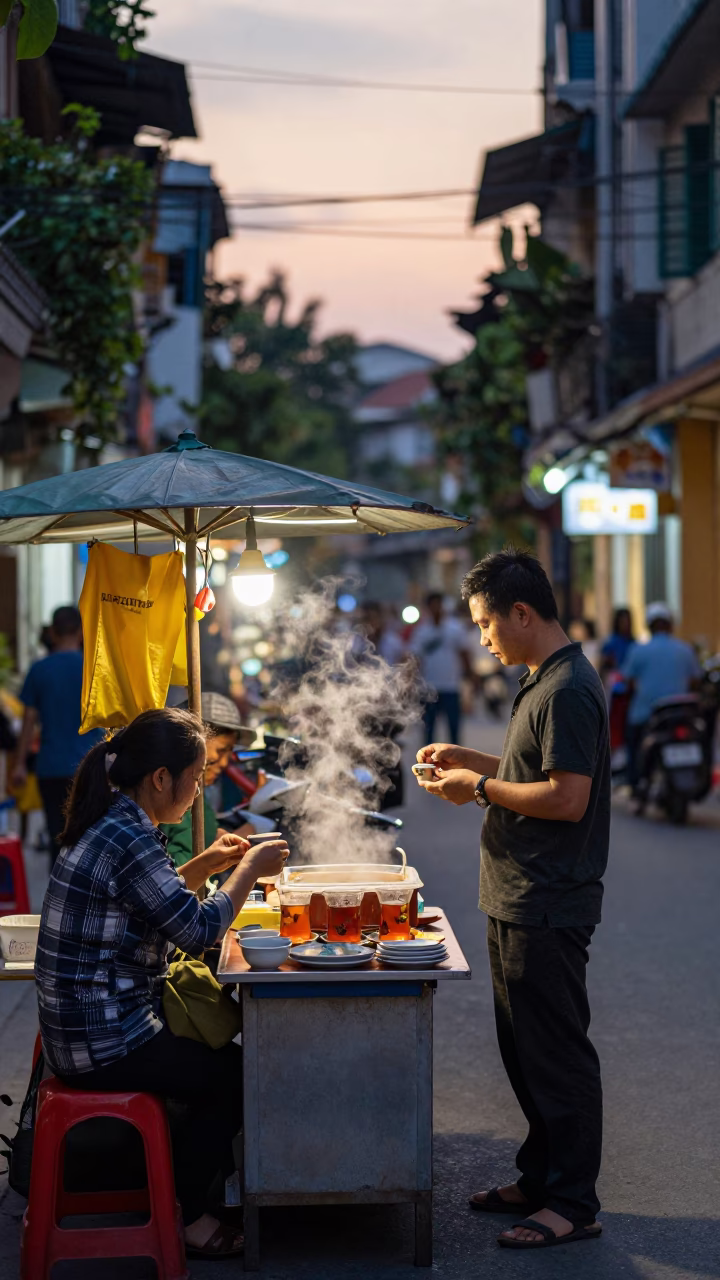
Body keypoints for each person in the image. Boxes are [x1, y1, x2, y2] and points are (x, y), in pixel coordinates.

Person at [35, 707, 289, 1260]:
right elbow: (197, 929)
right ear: (160, 778)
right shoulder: (129, 835)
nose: (198, 791)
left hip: (78, 1029)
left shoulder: (118, 823)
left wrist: (207, 864)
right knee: (232, 1076)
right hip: (101, 1039)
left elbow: (152, 898)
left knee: (213, 1061)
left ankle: (187, 1192)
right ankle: (190, 1214)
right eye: (196, 778)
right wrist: (247, 871)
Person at [415, 548, 609, 1250]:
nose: (482, 637)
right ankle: (540, 1175)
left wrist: (481, 790)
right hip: (516, 892)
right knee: (524, 1051)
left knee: (556, 1054)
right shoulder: (540, 680)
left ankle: (572, 1202)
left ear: (522, 613)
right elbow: (540, 770)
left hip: (548, 899)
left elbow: (566, 796)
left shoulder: (566, 689)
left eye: (486, 623)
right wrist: (475, 765)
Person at [13, 605, 104, 863]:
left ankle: (57, 897)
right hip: (90, 767)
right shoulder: (92, 666)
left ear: (52, 632)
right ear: (80, 632)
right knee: (89, 839)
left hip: (51, 767)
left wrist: (19, 764)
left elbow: (28, 723)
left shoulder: (39, 670)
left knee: (58, 836)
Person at [162, 691, 253, 870]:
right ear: (195, 741)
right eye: (221, 750)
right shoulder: (176, 796)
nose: (225, 762)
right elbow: (175, 873)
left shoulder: (198, 794)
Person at [621, 602, 702, 796]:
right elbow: (696, 681)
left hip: (647, 714)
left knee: (632, 739)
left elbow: (628, 681)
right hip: (682, 712)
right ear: (670, 625)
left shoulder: (638, 650)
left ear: (649, 625)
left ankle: (636, 782)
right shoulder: (685, 649)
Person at [410, 592, 473, 744]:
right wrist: (412, 680)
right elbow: (416, 658)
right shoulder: (422, 631)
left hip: (451, 686)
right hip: (429, 687)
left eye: (438, 604)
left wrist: (469, 677)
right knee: (428, 730)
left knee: (454, 728)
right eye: (432, 605)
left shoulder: (455, 628)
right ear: (428, 608)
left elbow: (464, 653)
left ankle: (456, 761)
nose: (436, 608)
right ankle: (428, 763)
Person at [600, 607, 635, 680]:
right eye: (623, 622)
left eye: (627, 621)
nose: (626, 624)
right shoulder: (611, 642)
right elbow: (604, 663)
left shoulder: (633, 642)